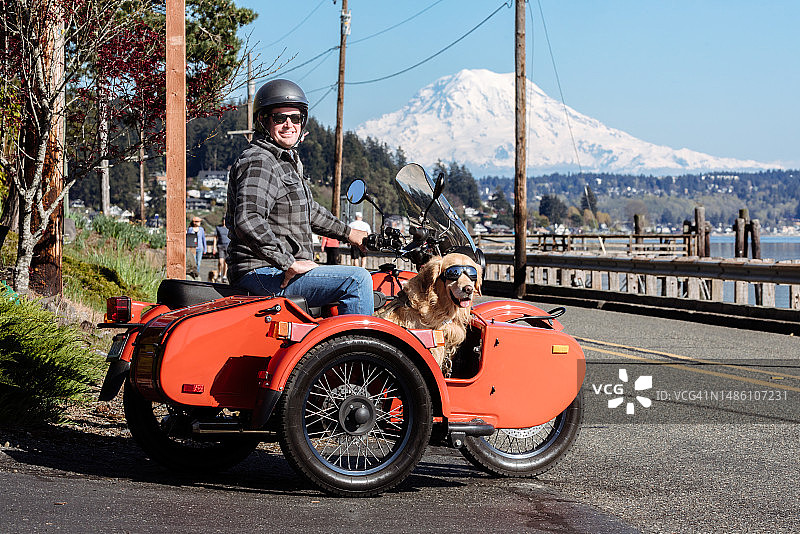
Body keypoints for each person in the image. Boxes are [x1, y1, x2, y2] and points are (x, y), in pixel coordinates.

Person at [225, 79, 373, 315]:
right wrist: (288, 262)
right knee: (356, 280)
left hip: (274, 270)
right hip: (262, 273)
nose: (288, 124)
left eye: (295, 118)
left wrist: (351, 234)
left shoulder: (284, 161)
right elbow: (248, 219)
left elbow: (310, 212)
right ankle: (358, 353)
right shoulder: (260, 161)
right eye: (279, 118)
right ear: (263, 121)